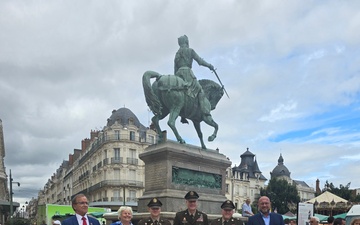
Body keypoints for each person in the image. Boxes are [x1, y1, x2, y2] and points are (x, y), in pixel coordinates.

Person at [174, 35, 215, 121]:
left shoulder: (177, 54)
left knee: (181, 93)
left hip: (178, 75)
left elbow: (175, 68)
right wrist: (209, 65)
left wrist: (176, 79)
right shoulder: (190, 51)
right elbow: (200, 61)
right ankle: (205, 112)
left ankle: (182, 116)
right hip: (188, 74)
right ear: (186, 42)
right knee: (200, 90)